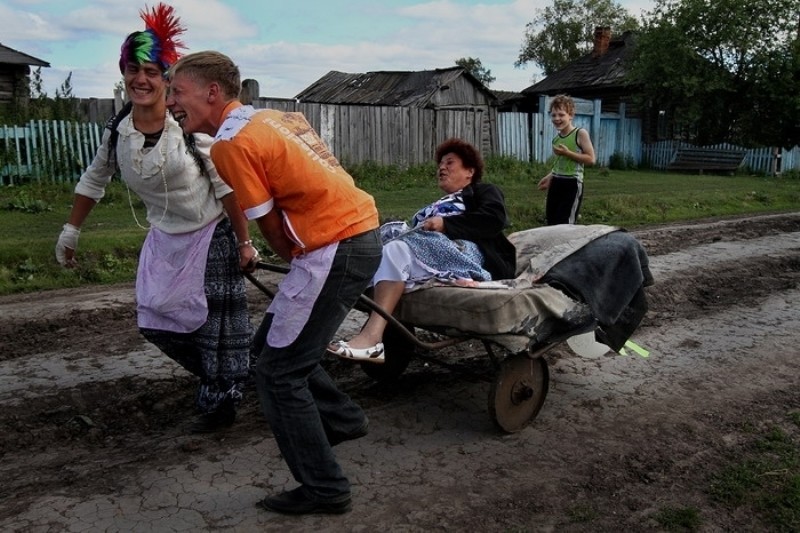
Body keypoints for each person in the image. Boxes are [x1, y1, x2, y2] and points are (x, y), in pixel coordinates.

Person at [165, 50, 382, 515]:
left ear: (212, 92)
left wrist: (296, 262)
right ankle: (342, 420)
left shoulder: (229, 144)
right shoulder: (273, 118)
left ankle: (326, 489)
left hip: (333, 247)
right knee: (269, 351)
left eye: (177, 92)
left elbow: (268, 225)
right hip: (355, 233)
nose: (170, 103)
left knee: (278, 374)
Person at [54, 4, 255, 434]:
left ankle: (221, 399)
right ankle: (236, 370)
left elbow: (228, 189)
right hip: (165, 238)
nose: (140, 79)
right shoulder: (118, 129)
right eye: (132, 68)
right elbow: (93, 179)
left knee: (210, 325)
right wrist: (71, 230)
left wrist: (244, 243)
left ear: (166, 78)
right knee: (155, 318)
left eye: (151, 70)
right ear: (122, 71)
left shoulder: (188, 127)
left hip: (211, 235)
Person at [329, 138, 516, 363]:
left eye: (450, 163)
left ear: (469, 171)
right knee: (370, 250)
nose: (442, 168)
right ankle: (324, 330)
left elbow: (494, 219)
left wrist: (446, 225)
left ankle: (372, 338)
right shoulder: (441, 201)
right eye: (440, 164)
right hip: (431, 250)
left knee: (396, 250)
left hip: (467, 253)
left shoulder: (482, 191)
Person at [537, 94, 596, 225]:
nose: (557, 118)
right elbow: (561, 164)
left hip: (572, 184)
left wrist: (567, 153)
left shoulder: (580, 133)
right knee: (551, 222)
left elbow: (591, 159)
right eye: (553, 115)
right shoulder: (556, 139)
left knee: (565, 224)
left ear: (571, 115)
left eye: (561, 115)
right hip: (557, 183)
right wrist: (550, 176)